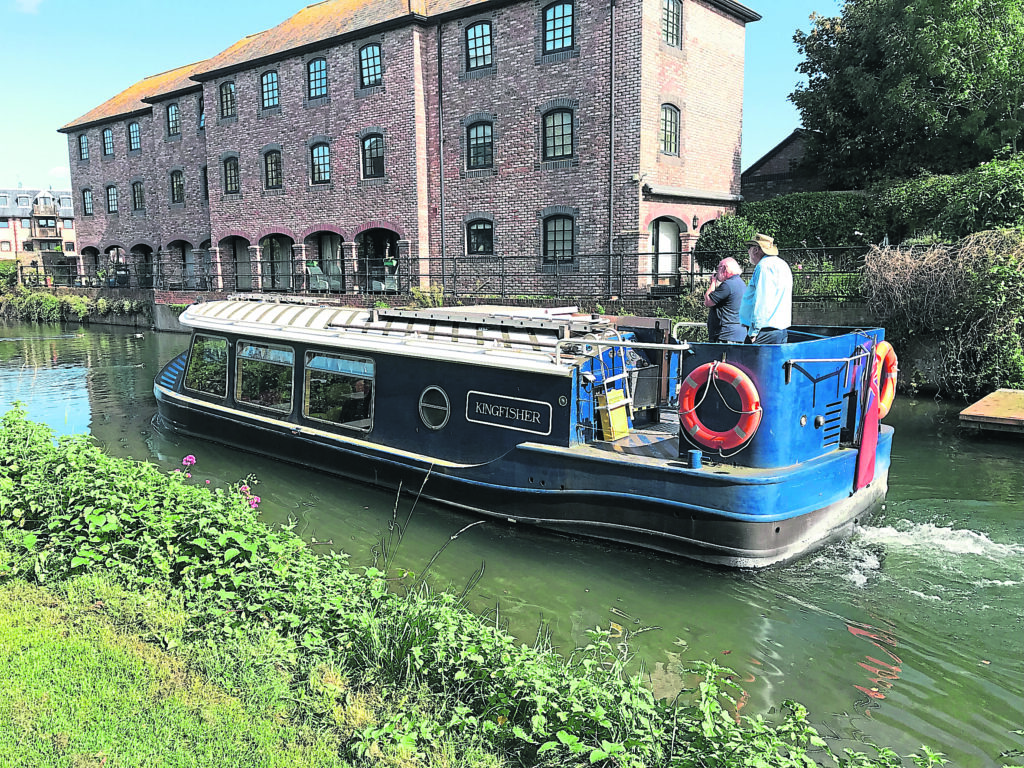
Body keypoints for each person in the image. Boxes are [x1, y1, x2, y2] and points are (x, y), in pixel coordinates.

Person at [739, 233, 792, 344]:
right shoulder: (783, 264)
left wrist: (754, 331)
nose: (748, 252)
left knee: (745, 361)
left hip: (764, 331)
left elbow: (761, 300)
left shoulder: (763, 266)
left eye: (749, 248)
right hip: (780, 329)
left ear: (756, 250)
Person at [703, 256, 746, 342]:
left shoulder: (728, 285)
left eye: (718, 268)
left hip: (726, 335)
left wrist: (713, 283)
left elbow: (708, 301)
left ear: (724, 268)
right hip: (737, 333)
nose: (717, 271)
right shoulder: (741, 283)